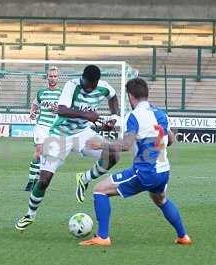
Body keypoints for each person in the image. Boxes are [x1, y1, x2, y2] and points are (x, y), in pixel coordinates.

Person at [79, 78, 192, 246]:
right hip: (163, 171)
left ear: (131, 97)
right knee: (161, 200)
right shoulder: (160, 113)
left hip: (146, 172)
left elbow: (125, 145)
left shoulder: (133, 116)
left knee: (100, 190)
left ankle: (103, 237)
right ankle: (183, 236)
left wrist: (100, 144)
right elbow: (171, 140)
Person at [15, 65, 119, 231]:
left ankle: (84, 179)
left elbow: (113, 98)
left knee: (112, 154)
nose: (88, 88)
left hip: (83, 134)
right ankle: (30, 214)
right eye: (85, 83)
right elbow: (62, 110)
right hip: (59, 135)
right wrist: (87, 115)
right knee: (43, 180)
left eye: (91, 85)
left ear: (96, 82)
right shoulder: (72, 85)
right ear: (82, 78)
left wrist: (113, 119)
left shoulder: (104, 87)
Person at [24, 66, 61, 191]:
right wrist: (32, 112)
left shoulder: (62, 93)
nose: (52, 78)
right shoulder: (41, 92)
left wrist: (58, 109)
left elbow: (67, 109)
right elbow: (35, 104)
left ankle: (37, 180)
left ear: (58, 78)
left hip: (54, 128)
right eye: (50, 76)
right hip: (41, 126)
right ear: (47, 77)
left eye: (55, 76)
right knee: (39, 153)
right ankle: (30, 182)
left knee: (46, 157)